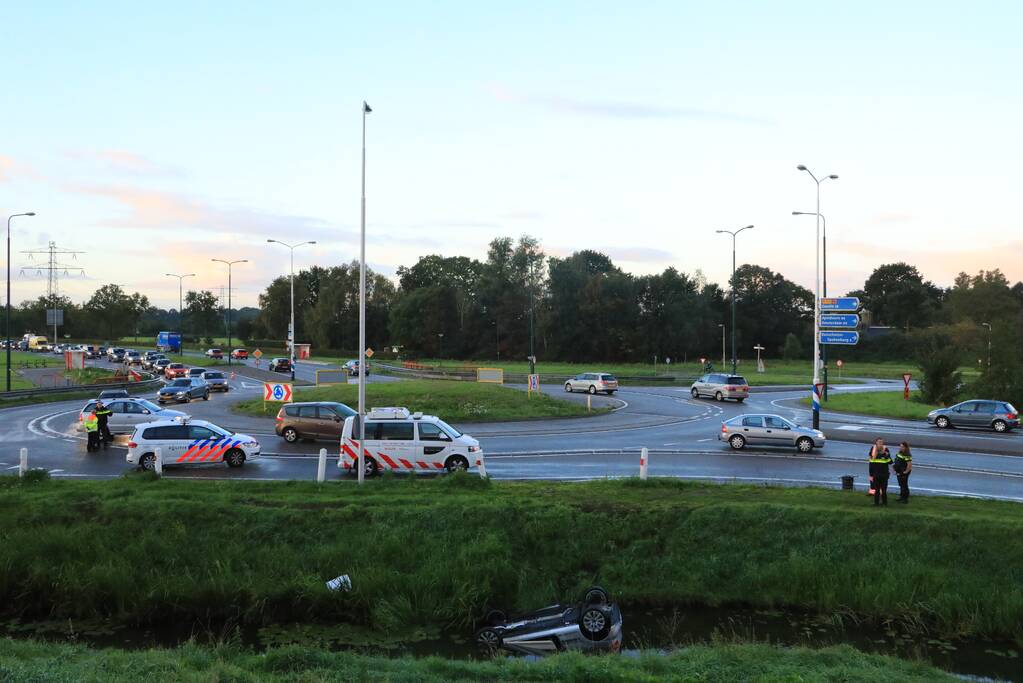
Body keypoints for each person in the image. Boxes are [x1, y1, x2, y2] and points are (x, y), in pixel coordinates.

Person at [868, 438, 893, 506]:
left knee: (884, 490)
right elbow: (871, 463)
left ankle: (884, 503)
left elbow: (890, 462)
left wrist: (886, 455)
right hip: (876, 474)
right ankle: (876, 503)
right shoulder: (873, 450)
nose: (880, 443)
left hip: (884, 474)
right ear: (876, 443)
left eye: (882, 442)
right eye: (879, 442)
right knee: (877, 490)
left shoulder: (886, 450)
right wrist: (871, 475)